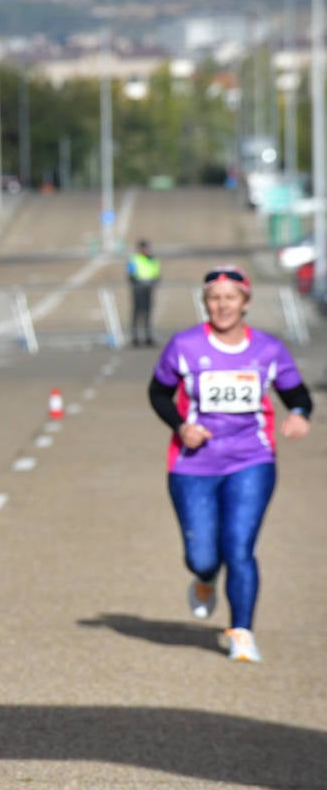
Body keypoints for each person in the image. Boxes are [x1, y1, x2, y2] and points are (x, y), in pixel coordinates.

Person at [146, 266, 312, 664]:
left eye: (230, 298)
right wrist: (181, 426)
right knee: (202, 556)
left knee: (239, 548)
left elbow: (298, 394)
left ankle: (242, 632)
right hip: (192, 465)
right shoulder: (184, 346)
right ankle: (205, 579)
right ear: (206, 303)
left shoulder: (268, 350)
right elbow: (158, 394)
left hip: (251, 460)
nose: (222, 306)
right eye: (215, 298)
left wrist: (300, 414)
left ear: (245, 303)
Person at [128, 238, 161, 347]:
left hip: (149, 287)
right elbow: (130, 273)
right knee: (137, 312)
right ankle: (135, 337)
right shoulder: (135, 259)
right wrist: (136, 282)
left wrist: (154, 281)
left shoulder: (152, 259)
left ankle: (148, 336)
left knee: (148, 312)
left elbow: (156, 273)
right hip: (138, 287)